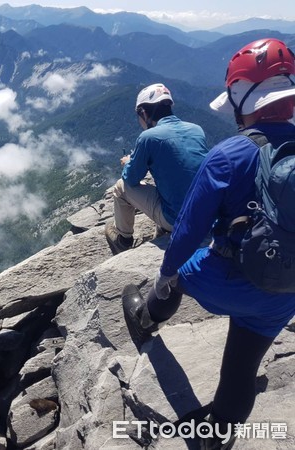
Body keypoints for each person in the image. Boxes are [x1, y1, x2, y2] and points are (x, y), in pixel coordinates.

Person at [122, 38, 295, 449]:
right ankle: (218, 429)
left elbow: (186, 229)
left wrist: (165, 275)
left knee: (180, 273)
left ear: (240, 97)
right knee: (243, 362)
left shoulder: (230, 154)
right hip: (286, 291)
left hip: (229, 278)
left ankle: (147, 317)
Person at [105, 83, 209, 254]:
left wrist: (128, 163)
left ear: (144, 113)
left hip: (177, 220)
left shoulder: (148, 137)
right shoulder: (196, 130)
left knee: (120, 188)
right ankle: (163, 229)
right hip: (206, 216)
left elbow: (131, 179)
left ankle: (123, 240)